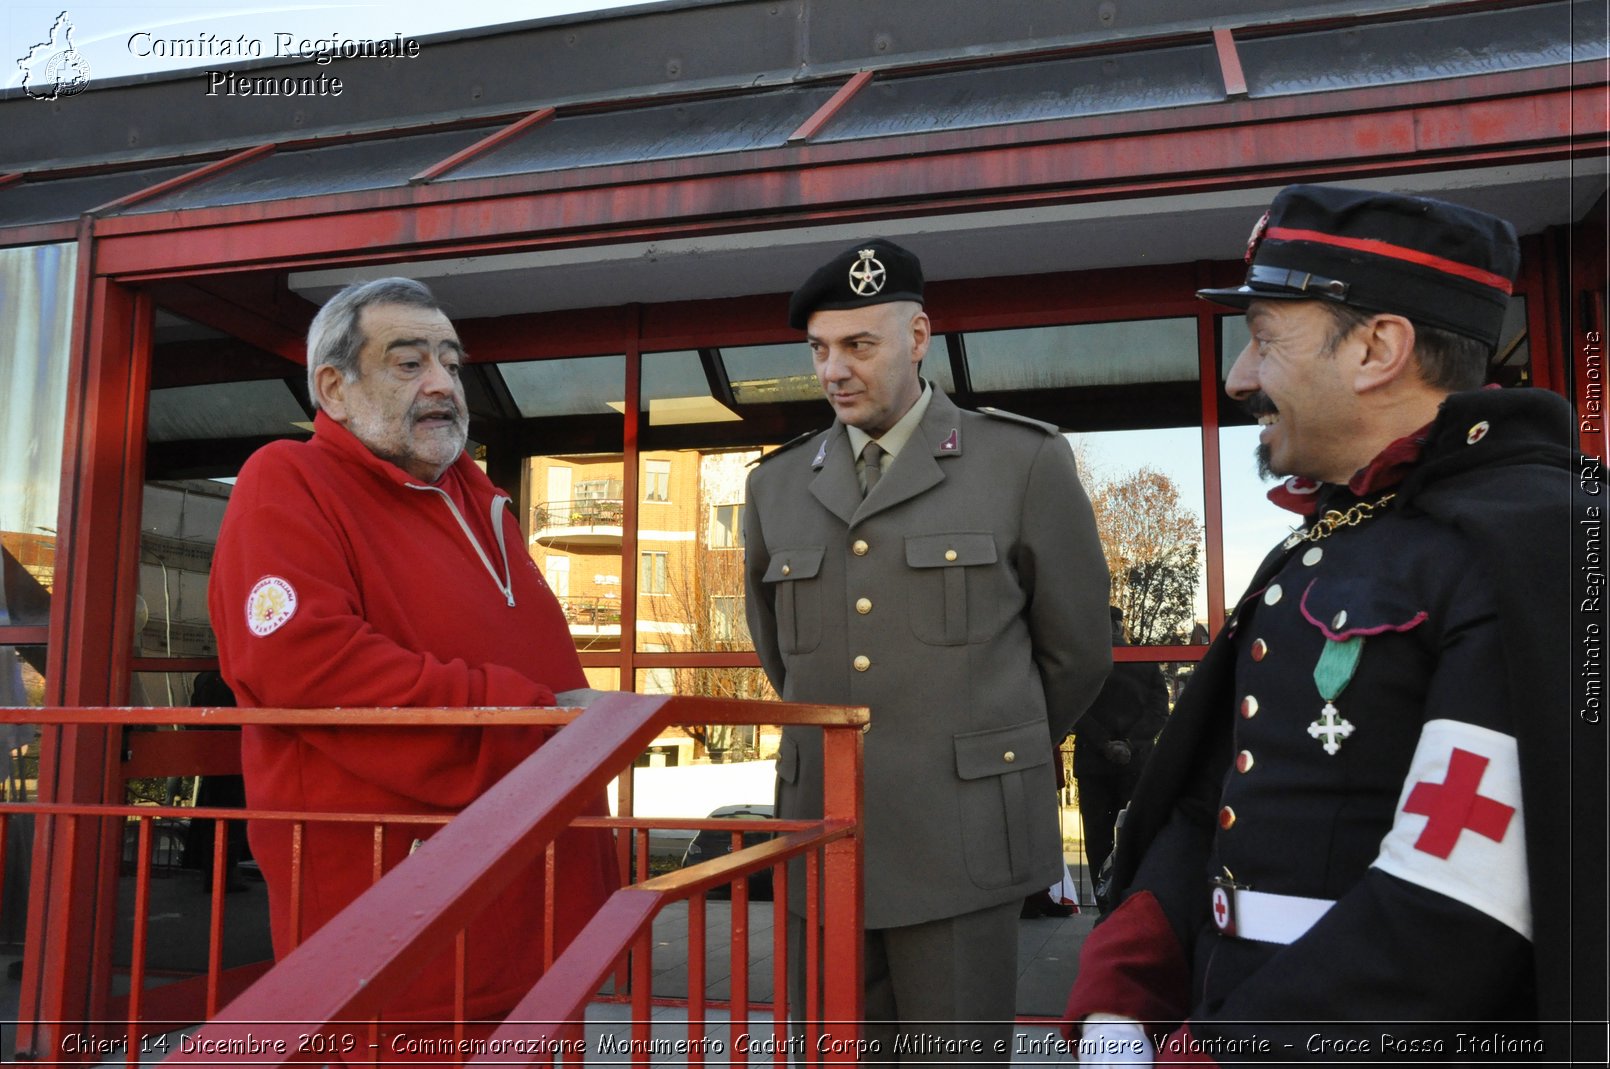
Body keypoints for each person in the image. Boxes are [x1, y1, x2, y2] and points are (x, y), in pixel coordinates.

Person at [1064, 185, 1600, 1064]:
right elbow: (1210, 802)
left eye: (1265, 337)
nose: (1240, 376)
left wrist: (1215, 1050)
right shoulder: (1334, 538)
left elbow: (1455, 903)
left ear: (1379, 349)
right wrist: (1124, 991)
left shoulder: (1546, 546)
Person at [208, 277, 614, 1052]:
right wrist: (539, 725)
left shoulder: (475, 494)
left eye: (450, 363)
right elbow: (307, 665)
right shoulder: (287, 482)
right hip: (399, 942)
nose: (441, 383)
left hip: (535, 920)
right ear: (334, 386)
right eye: (407, 363)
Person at [743, 239, 1112, 1056]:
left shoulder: (1020, 461)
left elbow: (1077, 649)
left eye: (858, 345)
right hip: (823, 834)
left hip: (961, 838)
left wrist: (989, 745)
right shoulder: (774, 486)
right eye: (819, 349)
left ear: (917, 338)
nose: (833, 369)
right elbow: (781, 655)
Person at [1073, 606, 1168, 903]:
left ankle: (1103, 903)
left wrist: (1104, 744)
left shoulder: (1083, 663)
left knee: (1097, 841)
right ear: (1119, 626)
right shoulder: (1145, 663)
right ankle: (1132, 900)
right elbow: (1159, 712)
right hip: (1137, 764)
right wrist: (1130, 744)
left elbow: (1074, 709)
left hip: (1093, 764)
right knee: (1137, 835)